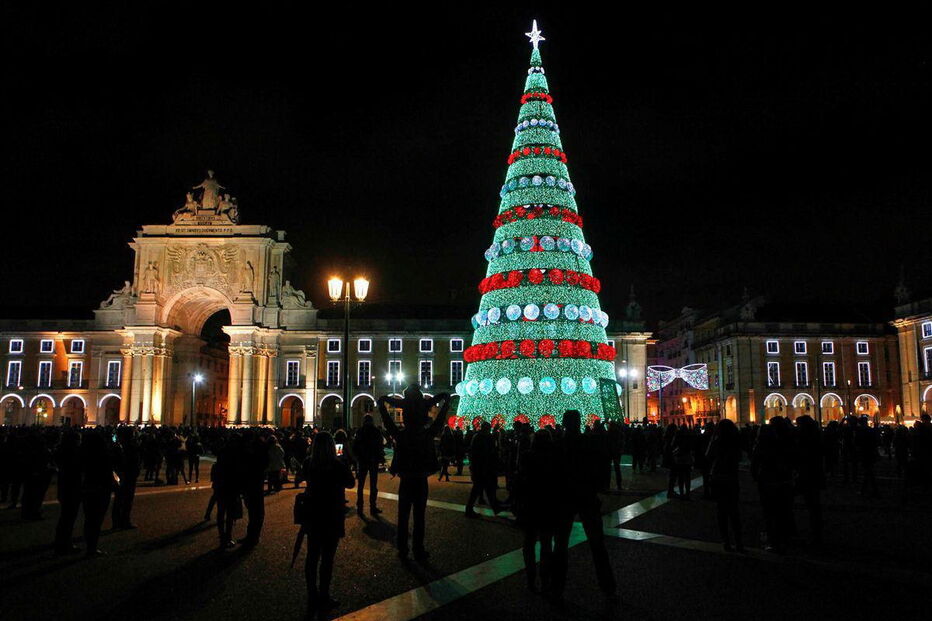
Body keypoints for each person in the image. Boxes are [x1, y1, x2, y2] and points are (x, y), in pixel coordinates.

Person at [378, 386, 451, 561]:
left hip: (406, 479)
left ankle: (403, 548)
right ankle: (418, 549)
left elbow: (388, 423)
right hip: (420, 479)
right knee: (419, 517)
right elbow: (439, 422)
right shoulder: (426, 434)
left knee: (403, 516)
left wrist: (382, 407)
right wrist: (445, 405)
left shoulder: (402, 435)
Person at [551, 410, 617, 603]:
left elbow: (553, 473)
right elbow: (601, 465)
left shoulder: (558, 445)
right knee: (597, 544)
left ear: (564, 424)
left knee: (561, 545)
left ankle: (557, 588)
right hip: (587, 496)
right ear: (579, 423)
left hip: (565, 498)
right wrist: (597, 487)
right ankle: (608, 586)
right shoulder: (589, 442)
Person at [298, 431, 355, 614]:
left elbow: (301, 476)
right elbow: (351, 483)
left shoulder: (309, 462)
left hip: (313, 514)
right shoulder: (336, 465)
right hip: (332, 514)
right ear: (332, 446)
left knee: (312, 556)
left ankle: (312, 594)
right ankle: (324, 595)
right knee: (327, 558)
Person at [514, 428, 562, 591]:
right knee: (546, 543)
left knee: (528, 542)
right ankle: (545, 578)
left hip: (530, 504)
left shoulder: (527, 456)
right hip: (547, 505)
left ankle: (530, 577)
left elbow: (520, 477)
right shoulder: (553, 458)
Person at [706, 419, 743, 552]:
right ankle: (739, 542)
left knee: (721, 510)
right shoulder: (735, 442)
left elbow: (708, 455)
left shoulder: (717, 441)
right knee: (734, 511)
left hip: (718, 476)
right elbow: (739, 457)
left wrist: (713, 439)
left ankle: (726, 541)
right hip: (732, 476)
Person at [81, 430, 115, 557]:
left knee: (89, 518)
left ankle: (89, 544)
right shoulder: (104, 455)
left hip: (88, 488)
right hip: (101, 490)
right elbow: (108, 472)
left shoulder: (84, 454)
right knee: (96, 519)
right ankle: (92, 548)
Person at [795, 415, 824, 545]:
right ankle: (817, 532)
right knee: (814, 505)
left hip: (806, 473)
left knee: (811, 503)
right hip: (815, 473)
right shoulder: (817, 437)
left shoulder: (803, 439)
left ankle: (814, 534)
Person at [53, 430, 83, 555]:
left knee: (65, 517)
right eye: (78, 440)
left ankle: (61, 542)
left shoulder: (60, 451)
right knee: (69, 518)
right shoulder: (74, 454)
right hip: (72, 488)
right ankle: (65, 544)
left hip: (64, 487)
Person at [465, 421, 503, 517]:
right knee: (480, 488)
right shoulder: (483, 437)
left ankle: (495, 507)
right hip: (482, 467)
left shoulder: (479, 437)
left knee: (482, 488)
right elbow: (487, 452)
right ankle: (470, 509)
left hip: (480, 467)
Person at [239, 431, 269, 547]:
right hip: (255, 482)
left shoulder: (252, 452)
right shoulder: (260, 450)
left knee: (254, 511)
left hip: (252, 482)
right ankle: (252, 535)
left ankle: (253, 536)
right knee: (255, 511)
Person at [352, 414, 385, 514]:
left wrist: (357, 457)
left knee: (361, 485)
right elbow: (380, 446)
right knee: (373, 484)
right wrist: (380, 457)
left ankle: (360, 506)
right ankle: (372, 507)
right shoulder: (376, 431)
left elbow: (355, 446)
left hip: (362, 460)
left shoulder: (360, 431)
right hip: (373, 460)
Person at [112, 426, 141, 529]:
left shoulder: (117, 447)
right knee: (127, 500)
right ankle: (125, 521)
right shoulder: (131, 447)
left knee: (119, 500)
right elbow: (134, 462)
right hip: (128, 476)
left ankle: (116, 522)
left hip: (121, 476)